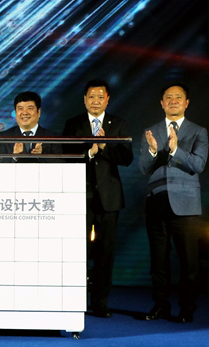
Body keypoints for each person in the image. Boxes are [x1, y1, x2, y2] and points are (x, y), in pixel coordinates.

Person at [62, 79, 133, 318]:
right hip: (79, 196)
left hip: (109, 198)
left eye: (100, 97)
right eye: (91, 96)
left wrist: (104, 146)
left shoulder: (118, 124)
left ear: (107, 100)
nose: (95, 101)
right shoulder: (73, 124)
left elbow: (126, 158)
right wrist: (89, 152)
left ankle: (100, 303)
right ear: (84, 99)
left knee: (105, 252)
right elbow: (65, 156)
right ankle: (76, 301)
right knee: (77, 252)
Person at [139, 82, 209, 323]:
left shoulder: (198, 132)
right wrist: (152, 152)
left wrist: (176, 150)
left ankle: (187, 308)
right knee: (158, 262)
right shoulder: (151, 131)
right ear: (162, 103)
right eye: (168, 97)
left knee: (189, 262)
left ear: (186, 103)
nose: (173, 101)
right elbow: (143, 168)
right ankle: (160, 305)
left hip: (186, 204)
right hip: (156, 203)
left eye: (178, 97)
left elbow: (198, 165)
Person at [0, 91, 58, 162]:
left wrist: (42, 155)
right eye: (20, 108)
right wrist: (14, 157)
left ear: (39, 112)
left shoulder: (52, 137)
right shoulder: (4, 137)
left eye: (30, 108)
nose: (25, 113)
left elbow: (61, 164)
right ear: (15, 113)